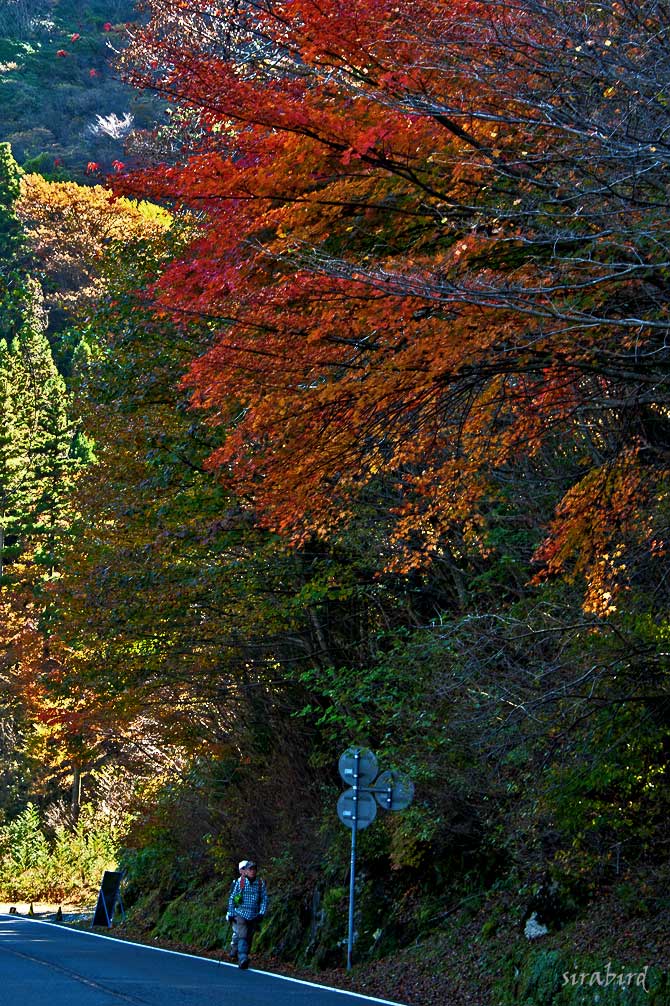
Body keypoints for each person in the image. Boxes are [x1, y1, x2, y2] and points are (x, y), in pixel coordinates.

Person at [227, 859, 267, 969]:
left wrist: (261, 913)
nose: (252, 871)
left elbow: (264, 899)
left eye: (254, 869)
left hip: (254, 915)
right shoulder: (241, 882)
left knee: (249, 937)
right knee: (242, 936)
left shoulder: (260, 883)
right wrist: (231, 913)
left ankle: (243, 955)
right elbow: (233, 898)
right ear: (246, 871)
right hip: (241, 913)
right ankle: (243, 958)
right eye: (250, 869)